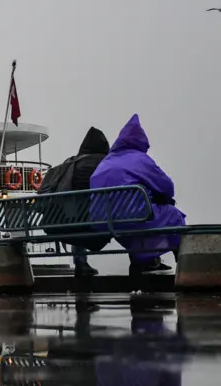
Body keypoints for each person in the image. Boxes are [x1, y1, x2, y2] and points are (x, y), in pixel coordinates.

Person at [90, 114, 187, 275]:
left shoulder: (105, 162)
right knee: (174, 216)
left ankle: (141, 261)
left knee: (133, 221)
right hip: (133, 217)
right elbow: (167, 187)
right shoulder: (140, 159)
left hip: (103, 221)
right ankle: (183, 265)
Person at [38, 127, 111, 277]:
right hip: (94, 222)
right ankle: (143, 260)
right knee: (132, 216)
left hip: (63, 221)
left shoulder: (70, 163)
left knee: (77, 216)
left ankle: (80, 262)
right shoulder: (104, 163)